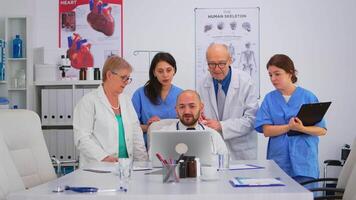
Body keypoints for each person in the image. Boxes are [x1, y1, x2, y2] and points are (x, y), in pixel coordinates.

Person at [254, 54, 327, 184]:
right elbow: (267, 131)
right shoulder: (269, 99)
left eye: (277, 74)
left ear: (290, 73)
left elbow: (321, 130)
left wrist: (301, 128)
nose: (273, 79)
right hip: (279, 162)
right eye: (270, 75)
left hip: (304, 162)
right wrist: (288, 127)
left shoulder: (308, 97)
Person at [73, 55, 148, 168]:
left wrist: (143, 164)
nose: (126, 82)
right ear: (109, 75)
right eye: (123, 78)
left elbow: (136, 133)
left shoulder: (126, 100)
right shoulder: (89, 101)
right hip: (98, 167)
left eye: (128, 78)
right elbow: (82, 138)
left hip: (126, 168)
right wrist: (104, 158)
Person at [198, 43, 258, 160]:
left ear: (230, 60)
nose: (216, 69)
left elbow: (251, 120)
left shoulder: (246, 81)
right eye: (212, 64)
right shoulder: (203, 83)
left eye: (221, 63)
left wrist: (221, 125)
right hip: (213, 149)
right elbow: (201, 115)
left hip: (241, 151)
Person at [132, 52, 183, 146]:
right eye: (160, 71)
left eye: (169, 70)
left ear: (174, 70)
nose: (165, 75)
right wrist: (150, 127)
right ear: (154, 72)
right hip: (147, 147)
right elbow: (131, 127)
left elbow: (186, 125)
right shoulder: (140, 94)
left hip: (174, 145)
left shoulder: (181, 95)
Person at [159, 90, 228, 158]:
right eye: (182, 107)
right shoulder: (162, 135)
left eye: (192, 106)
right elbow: (152, 162)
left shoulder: (213, 135)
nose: (187, 111)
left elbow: (225, 164)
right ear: (176, 110)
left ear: (201, 108)